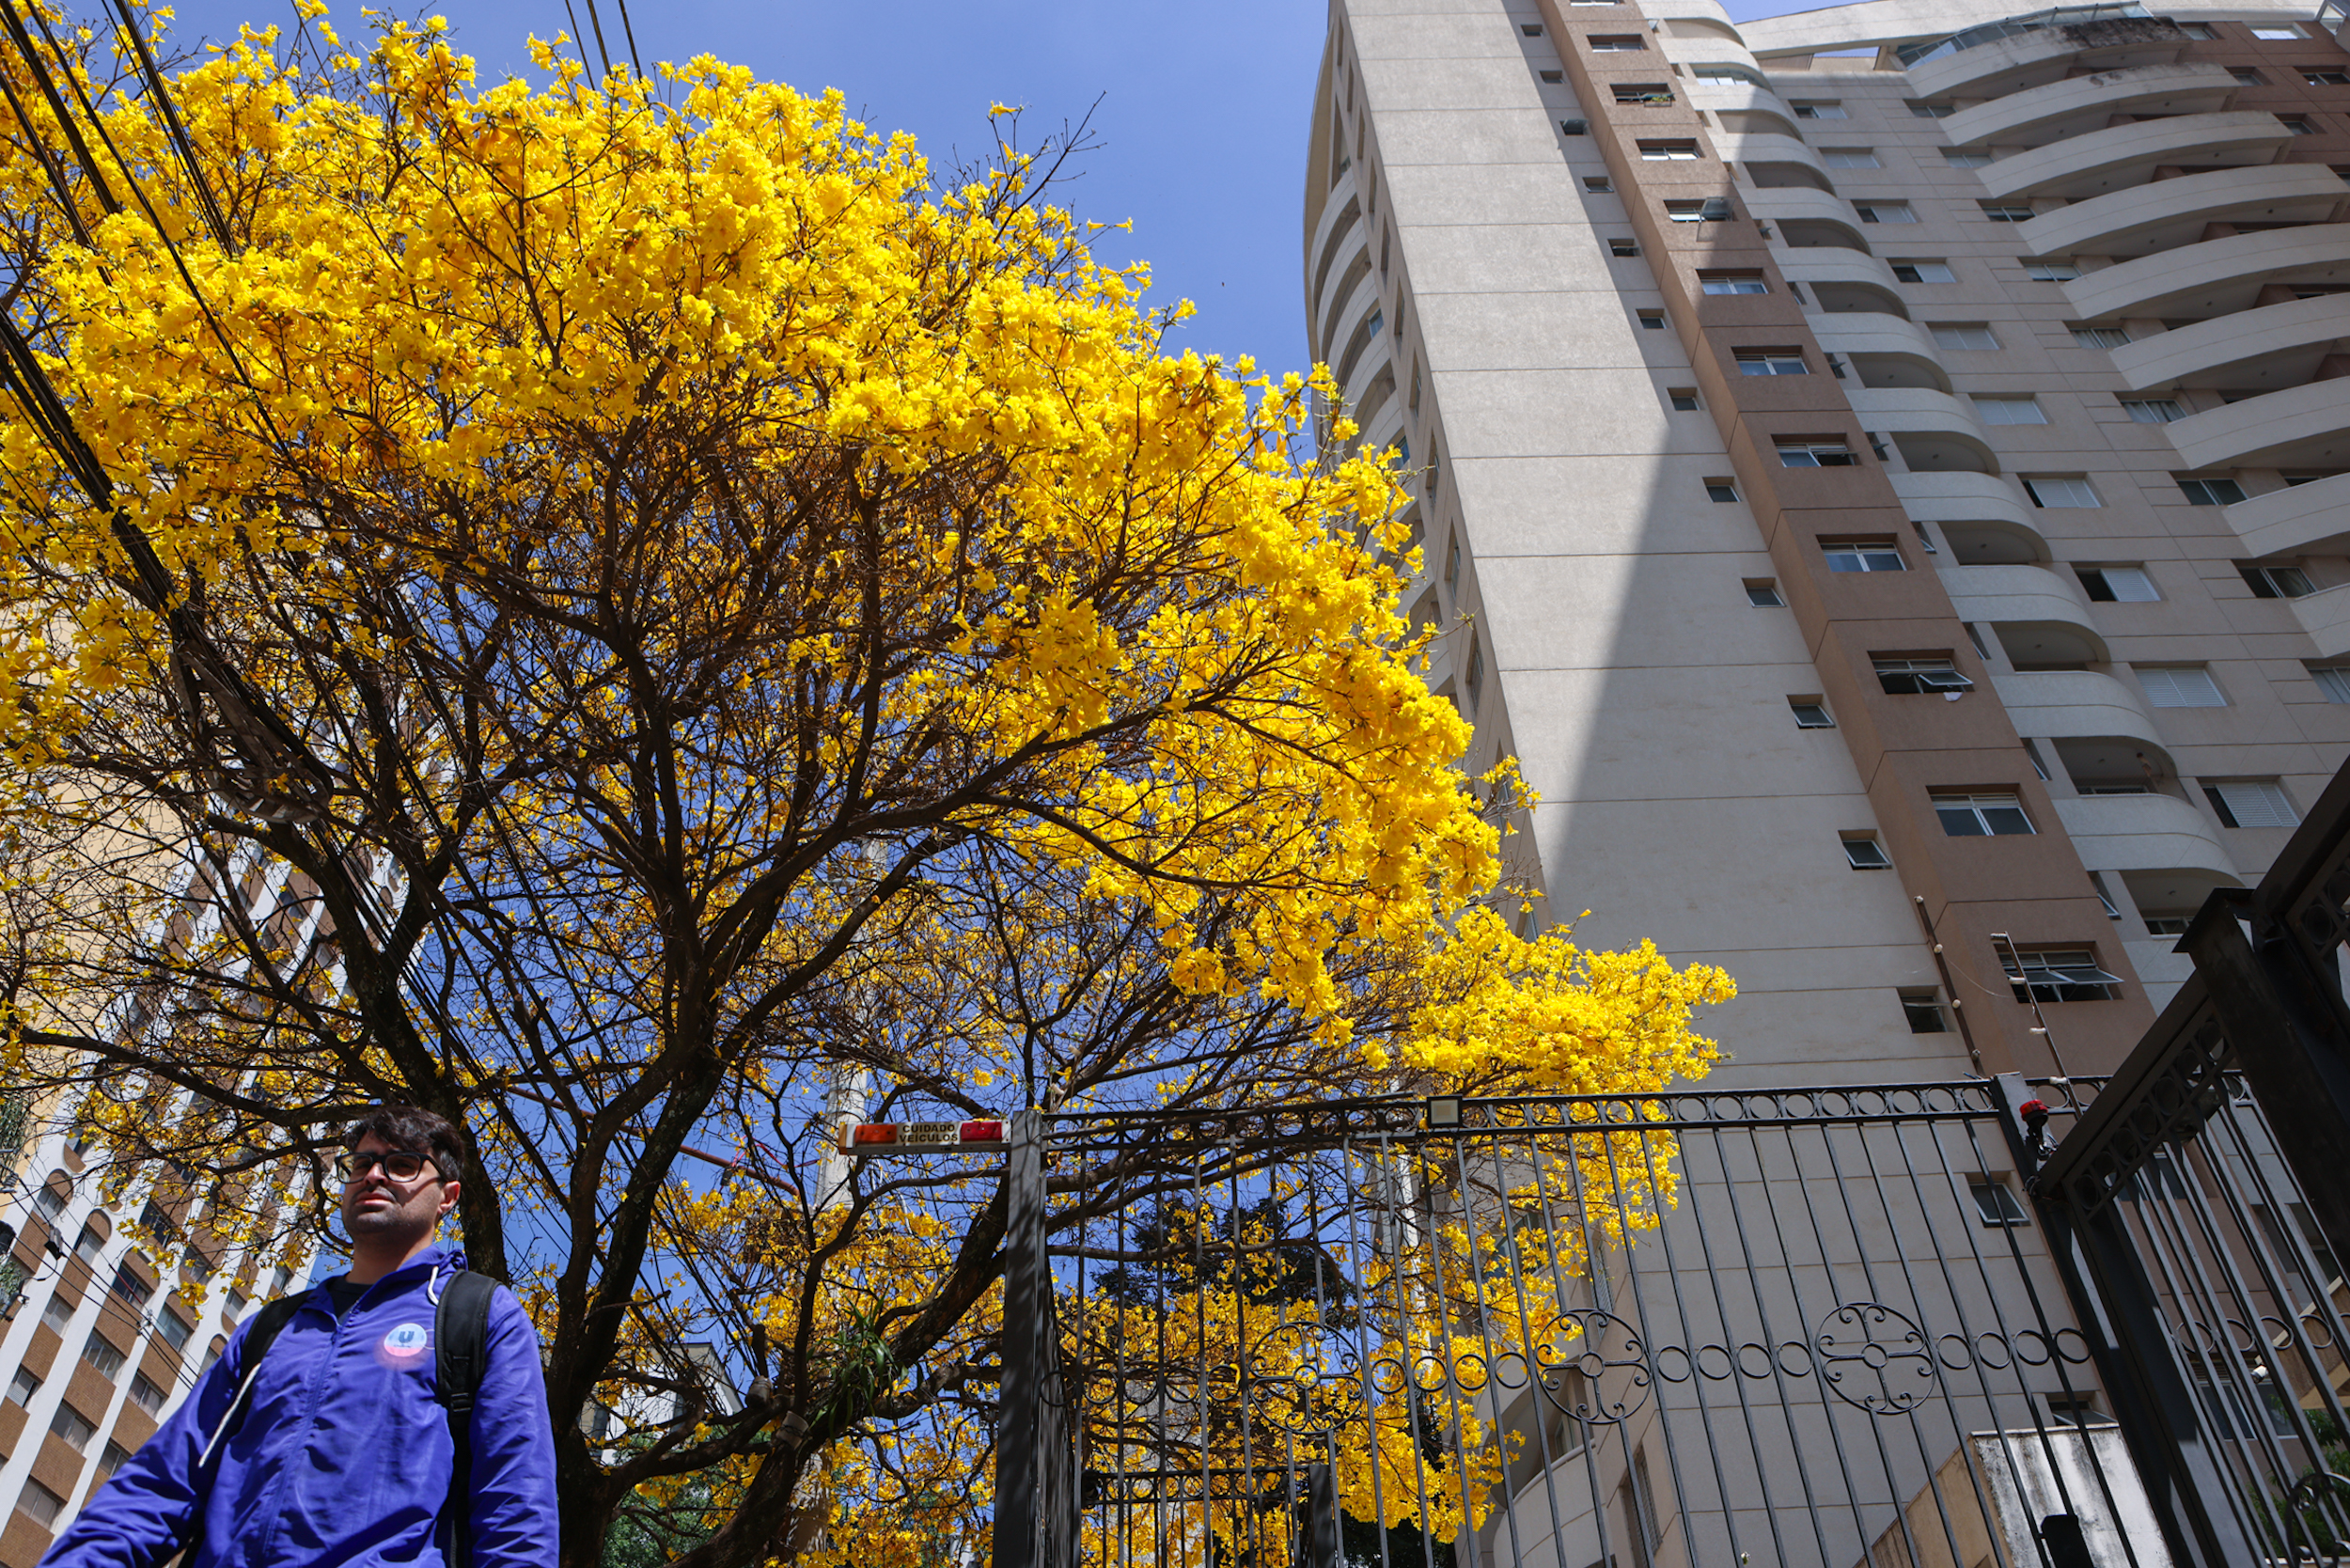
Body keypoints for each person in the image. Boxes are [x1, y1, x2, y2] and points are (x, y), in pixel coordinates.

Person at [43, 1105, 558, 1568]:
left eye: (401, 1164)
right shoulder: (274, 1328)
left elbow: (517, 1507)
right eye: (361, 1164)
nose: (374, 1175)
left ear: (447, 1196)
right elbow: (164, 1482)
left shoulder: (480, 1315)